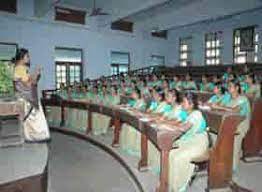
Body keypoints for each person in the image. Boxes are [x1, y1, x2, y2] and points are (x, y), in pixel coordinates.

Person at [168, 92, 208, 192]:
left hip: (198, 142)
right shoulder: (187, 113)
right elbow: (179, 123)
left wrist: (170, 127)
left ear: (191, 104)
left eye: (184, 102)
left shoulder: (196, 114)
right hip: (190, 140)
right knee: (171, 153)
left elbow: (184, 128)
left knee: (178, 157)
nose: (181, 104)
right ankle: (171, 182)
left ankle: (178, 186)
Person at [13, 48, 50, 142]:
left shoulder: (19, 67)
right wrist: (36, 73)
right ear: (22, 57)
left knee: (31, 118)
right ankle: (35, 136)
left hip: (23, 96)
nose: (29, 58)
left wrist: (34, 75)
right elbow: (28, 84)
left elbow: (28, 82)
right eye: (27, 56)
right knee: (34, 117)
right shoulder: (20, 68)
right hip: (26, 98)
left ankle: (31, 136)